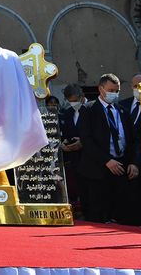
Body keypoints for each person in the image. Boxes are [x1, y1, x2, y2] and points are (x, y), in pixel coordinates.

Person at [78, 73, 141, 225]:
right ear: (101, 89)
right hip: (98, 170)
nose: (114, 94)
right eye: (111, 90)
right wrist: (107, 160)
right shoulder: (88, 110)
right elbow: (87, 141)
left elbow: (133, 140)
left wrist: (134, 162)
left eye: (117, 90)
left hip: (121, 168)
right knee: (99, 214)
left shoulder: (122, 111)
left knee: (123, 213)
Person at [58, 84, 86, 214]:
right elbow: (66, 132)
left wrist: (83, 142)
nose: (73, 103)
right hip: (74, 156)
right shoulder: (67, 113)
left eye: (75, 100)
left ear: (82, 97)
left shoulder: (90, 109)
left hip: (89, 155)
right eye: (70, 101)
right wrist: (64, 142)